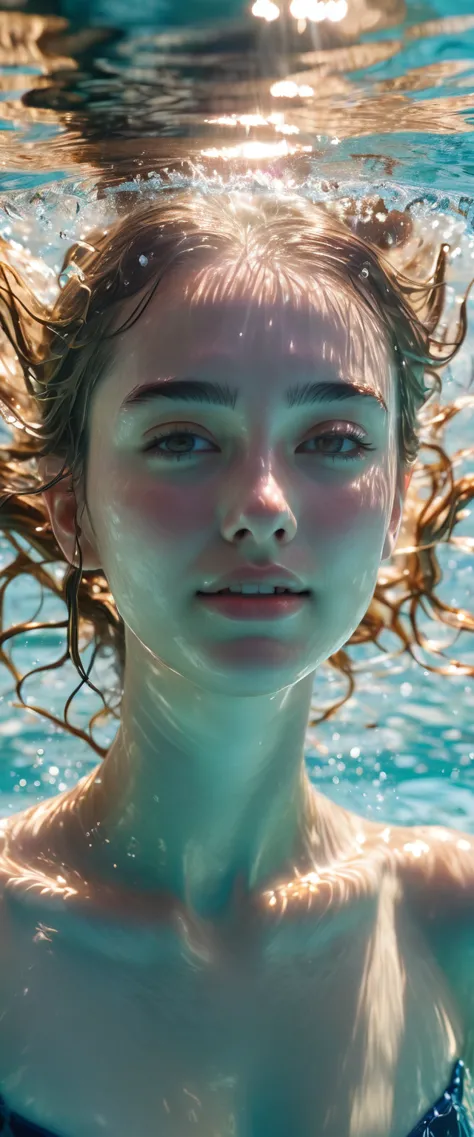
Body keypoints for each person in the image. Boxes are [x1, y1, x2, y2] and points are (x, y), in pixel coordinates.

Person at [0, 186, 472, 1137]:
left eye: (333, 440)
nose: (262, 502)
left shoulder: (449, 922)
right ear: (70, 504)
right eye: (181, 437)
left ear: (395, 505)